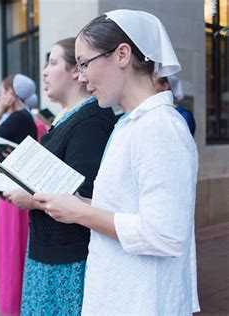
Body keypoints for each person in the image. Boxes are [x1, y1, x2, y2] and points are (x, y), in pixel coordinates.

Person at [32, 10, 199, 314]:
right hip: (121, 287)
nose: (81, 76)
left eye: (85, 63)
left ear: (122, 54)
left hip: (143, 297)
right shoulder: (128, 124)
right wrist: (77, 201)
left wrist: (80, 212)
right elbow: (125, 204)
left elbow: (165, 235)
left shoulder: (160, 126)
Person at [4, 38, 116, 315]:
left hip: (68, 256)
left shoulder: (91, 120)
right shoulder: (68, 116)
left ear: (77, 71)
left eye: (53, 63)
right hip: (50, 246)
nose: (44, 71)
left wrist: (29, 199)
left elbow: (84, 196)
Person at [0, 74, 38, 315]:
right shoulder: (22, 117)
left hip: (14, 189)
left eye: (3, 91)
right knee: (12, 248)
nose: (0, 96)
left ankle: (12, 306)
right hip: (16, 186)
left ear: (11, 93)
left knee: (12, 250)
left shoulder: (17, 117)